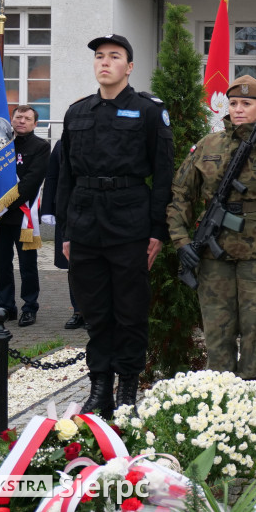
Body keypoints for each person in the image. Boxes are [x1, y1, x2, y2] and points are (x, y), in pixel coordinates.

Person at [55, 34, 174, 416]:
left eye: (114, 56)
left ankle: (127, 389)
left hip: (130, 223)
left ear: (130, 66)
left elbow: (163, 175)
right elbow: (65, 178)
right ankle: (99, 387)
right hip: (86, 224)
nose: (104, 62)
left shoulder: (149, 111)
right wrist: (66, 233)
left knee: (130, 311)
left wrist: (157, 230)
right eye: (99, 57)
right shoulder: (77, 113)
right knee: (95, 311)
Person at [168, 75, 256, 381]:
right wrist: (181, 242)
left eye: (246, 103)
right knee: (216, 328)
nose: (238, 109)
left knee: (255, 327)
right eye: (233, 103)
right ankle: (221, 391)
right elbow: (180, 197)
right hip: (213, 256)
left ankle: (252, 391)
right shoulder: (207, 146)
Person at [0, 105, 50, 327]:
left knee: (27, 265)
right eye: (18, 117)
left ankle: (29, 307)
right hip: (1, 217)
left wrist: (4, 204)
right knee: (2, 264)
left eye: (27, 118)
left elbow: (30, 183)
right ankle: (7, 307)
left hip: (24, 216)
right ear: (12, 120)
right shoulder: (1, 145)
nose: (21, 121)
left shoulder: (41, 147)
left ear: (35, 123)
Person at [40, 139, 84, 329]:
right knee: (72, 265)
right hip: (66, 212)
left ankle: (95, 312)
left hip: (93, 210)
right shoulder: (61, 144)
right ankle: (78, 311)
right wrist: (48, 209)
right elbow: (51, 177)